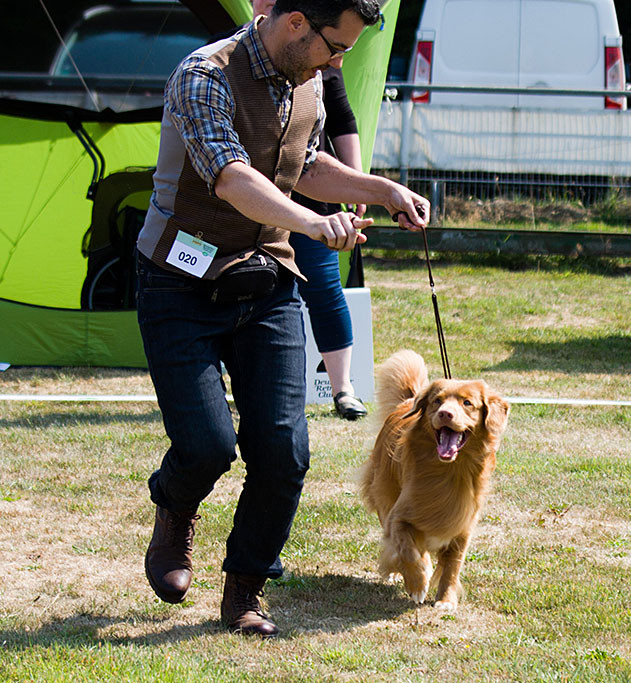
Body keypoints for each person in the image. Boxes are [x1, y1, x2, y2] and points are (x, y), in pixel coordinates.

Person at [134, 0, 429, 638]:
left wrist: (381, 189)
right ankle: (175, 506)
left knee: (284, 451)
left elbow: (306, 165)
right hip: (176, 282)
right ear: (296, 22)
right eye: (336, 45)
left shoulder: (311, 80)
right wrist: (315, 224)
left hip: (264, 280)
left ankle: (244, 587)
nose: (340, 60)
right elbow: (232, 177)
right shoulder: (203, 73)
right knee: (208, 445)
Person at [252, 0, 369, 421]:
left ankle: (343, 389)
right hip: (253, 202)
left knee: (323, 289)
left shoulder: (321, 67)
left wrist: (362, 185)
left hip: (310, 199)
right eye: (260, 1)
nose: (264, 7)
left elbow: (342, 122)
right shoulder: (226, 62)